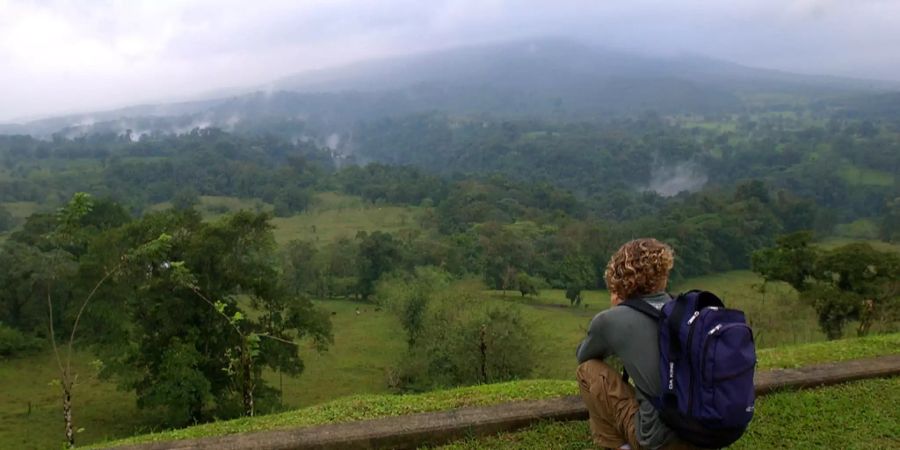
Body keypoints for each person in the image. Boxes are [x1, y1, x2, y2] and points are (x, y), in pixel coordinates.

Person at [575, 238, 695, 450]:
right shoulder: (686, 309)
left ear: (619, 279)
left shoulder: (611, 320)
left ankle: (618, 446)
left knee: (587, 371)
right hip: (706, 433)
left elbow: (584, 355)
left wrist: (615, 313)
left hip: (657, 442)